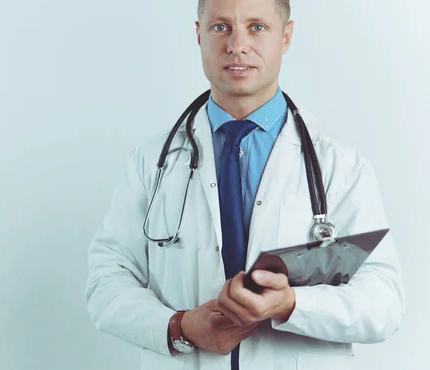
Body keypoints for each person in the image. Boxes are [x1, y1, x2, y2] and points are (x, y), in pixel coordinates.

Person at [84, 0, 405, 369]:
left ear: (286, 36)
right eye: (221, 27)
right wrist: (179, 327)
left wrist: (292, 304)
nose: (237, 45)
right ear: (198, 34)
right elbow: (105, 282)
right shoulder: (150, 163)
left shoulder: (342, 167)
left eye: (257, 27)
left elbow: (385, 302)